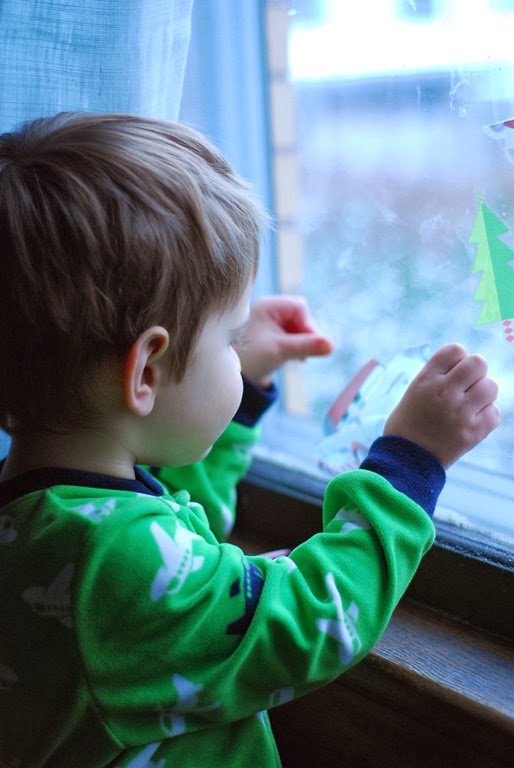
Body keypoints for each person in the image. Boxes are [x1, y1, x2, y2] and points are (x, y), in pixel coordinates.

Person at [0, 112, 499, 768]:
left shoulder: (45, 514)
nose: (238, 352)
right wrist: (411, 463)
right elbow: (311, 620)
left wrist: (242, 381)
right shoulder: (110, 564)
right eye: (231, 338)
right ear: (147, 372)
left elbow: (173, 533)